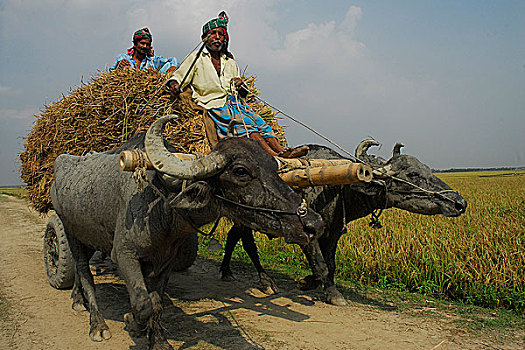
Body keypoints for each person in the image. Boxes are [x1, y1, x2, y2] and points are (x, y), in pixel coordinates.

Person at [166, 12, 308, 158]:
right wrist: (174, 85)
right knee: (247, 126)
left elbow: (242, 93)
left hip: (235, 104)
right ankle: (274, 156)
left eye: (220, 34)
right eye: (212, 33)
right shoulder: (196, 58)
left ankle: (282, 149)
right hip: (214, 104)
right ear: (204, 39)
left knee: (261, 123)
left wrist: (242, 86)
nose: (217, 37)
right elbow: (178, 76)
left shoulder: (230, 62)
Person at [110, 27, 178, 74]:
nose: (145, 46)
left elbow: (173, 59)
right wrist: (118, 66)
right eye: (142, 43)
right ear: (135, 44)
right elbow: (111, 71)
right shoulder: (123, 57)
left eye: (147, 44)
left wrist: (173, 67)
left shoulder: (152, 61)